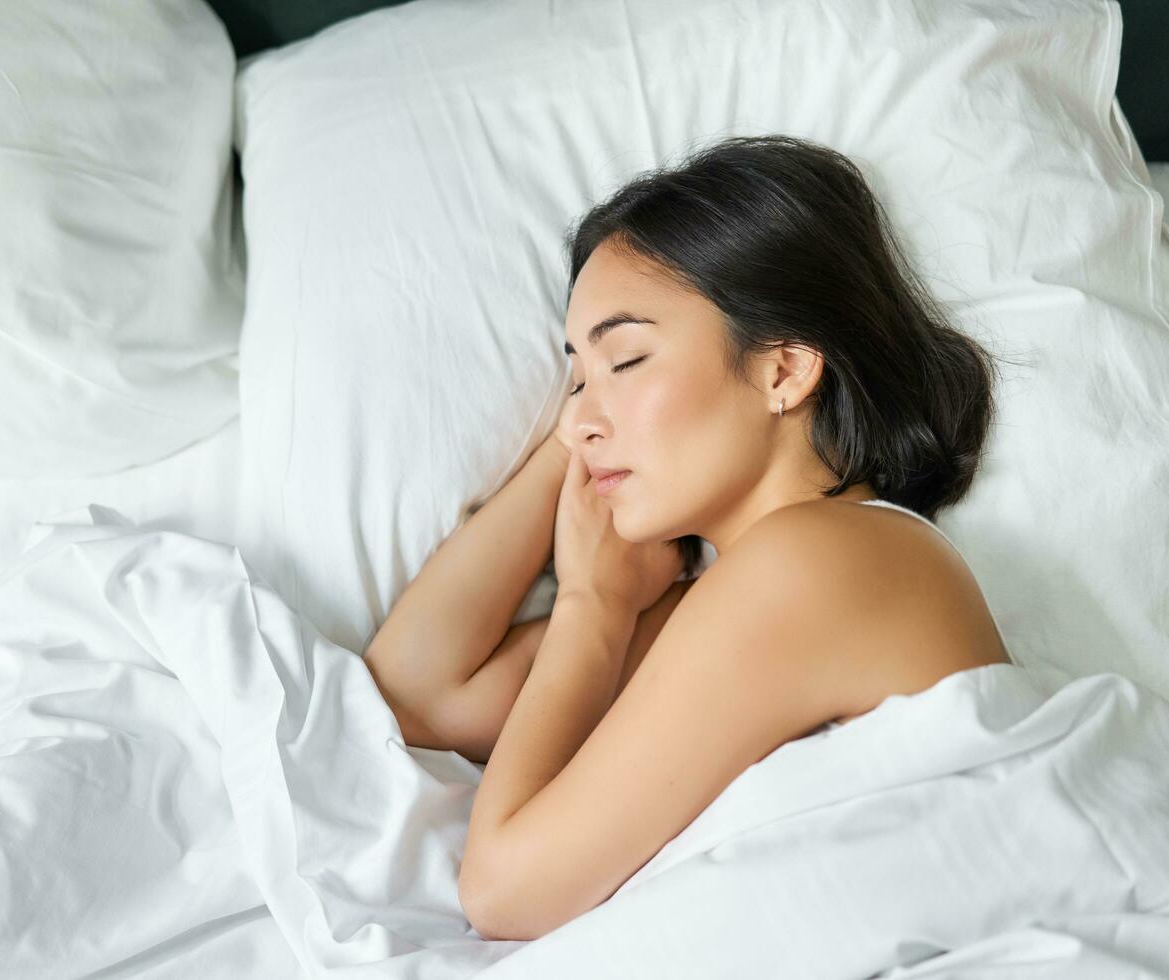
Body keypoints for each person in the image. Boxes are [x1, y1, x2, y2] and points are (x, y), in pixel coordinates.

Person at [365, 134, 1015, 941]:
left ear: (783, 370)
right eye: (572, 376)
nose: (574, 418)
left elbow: (502, 892)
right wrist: (585, 445)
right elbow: (413, 690)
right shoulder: (720, 604)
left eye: (629, 358)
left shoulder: (826, 563)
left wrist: (592, 606)